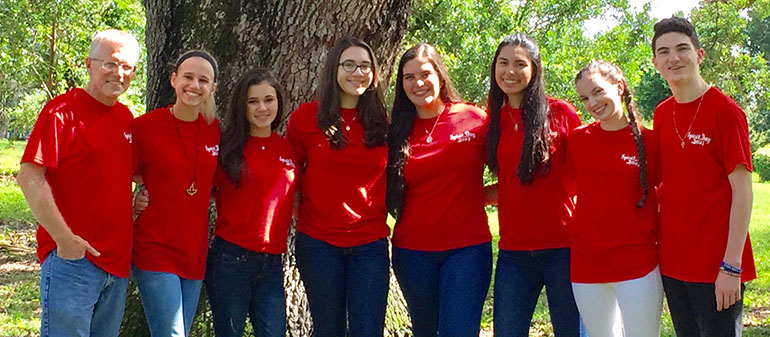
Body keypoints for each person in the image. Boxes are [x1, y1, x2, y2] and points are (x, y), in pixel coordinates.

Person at [16, 29, 140, 337]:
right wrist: (65, 239)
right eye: (110, 64)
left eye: (127, 67)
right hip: (73, 262)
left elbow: (125, 174)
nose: (119, 73)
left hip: (118, 264)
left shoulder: (126, 119)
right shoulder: (62, 112)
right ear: (89, 65)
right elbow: (30, 177)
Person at [651, 16, 755, 337]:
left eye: (682, 48)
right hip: (673, 263)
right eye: (664, 51)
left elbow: (743, 192)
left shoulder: (726, 112)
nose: (674, 58)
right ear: (655, 63)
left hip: (717, 266)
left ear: (699, 54)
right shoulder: (662, 113)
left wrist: (731, 266)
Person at [385, 43, 492, 337]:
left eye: (425, 74)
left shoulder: (475, 119)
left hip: (467, 250)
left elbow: (512, 171)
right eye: (409, 77)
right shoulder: (394, 132)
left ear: (440, 75)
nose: (418, 83)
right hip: (412, 253)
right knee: (426, 331)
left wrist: (479, 196)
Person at [286, 37, 390, 337]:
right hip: (319, 244)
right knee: (327, 328)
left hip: (370, 244)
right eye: (349, 65)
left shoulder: (381, 122)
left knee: (367, 330)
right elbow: (289, 177)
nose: (357, 73)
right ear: (334, 69)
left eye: (365, 66)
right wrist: (301, 217)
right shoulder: (306, 118)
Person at [485, 33, 583, 337]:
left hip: (563, 247)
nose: (510, 72)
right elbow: (508, 184)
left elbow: (586, 175)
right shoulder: (493, 121)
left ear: (535, 69)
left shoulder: (561, 114)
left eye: (519, 64)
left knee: (571, 330)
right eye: (503, 63)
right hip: (514, 252)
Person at [569, 60, 663, 337]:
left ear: (619, 87)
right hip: (587, 266)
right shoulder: (577, 140)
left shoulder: (651, 141)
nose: (592, 103)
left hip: (638, 264)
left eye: (598, 92)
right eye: (585, 98)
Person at [131, 50, 220, 336]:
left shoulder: (213, 129)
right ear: (173, 79)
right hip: (154, 247)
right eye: (188, 77)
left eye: (203, 80)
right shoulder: (145, 127)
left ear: (213, 88)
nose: (195, 85)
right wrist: (138, 192)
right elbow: (123, 171)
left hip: (194, 250)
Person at [205, 68, 297, 337]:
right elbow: (198, 189)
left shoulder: (287, 148)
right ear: (241, 106)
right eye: (253, 101)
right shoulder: (227, 149)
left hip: (272, 262)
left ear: (278, 102)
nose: (262, 108)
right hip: (231, 259)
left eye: (269, 100)